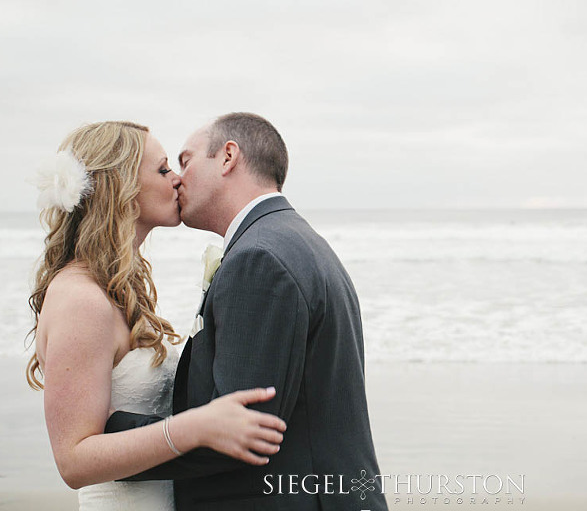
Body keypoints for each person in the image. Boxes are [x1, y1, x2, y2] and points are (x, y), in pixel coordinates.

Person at [106, 113, 389, 511]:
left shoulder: (259, 258)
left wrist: (106, 439)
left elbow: (239, 433)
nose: (176, 179)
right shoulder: (295, 240)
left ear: (227, 157)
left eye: (185, 162)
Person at [26, 121, 287, 511]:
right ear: (122, 187)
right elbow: (73, 460)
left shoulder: (117, 287)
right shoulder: (81, 299)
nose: (178, 180)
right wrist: (194, 428)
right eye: (164, 169)